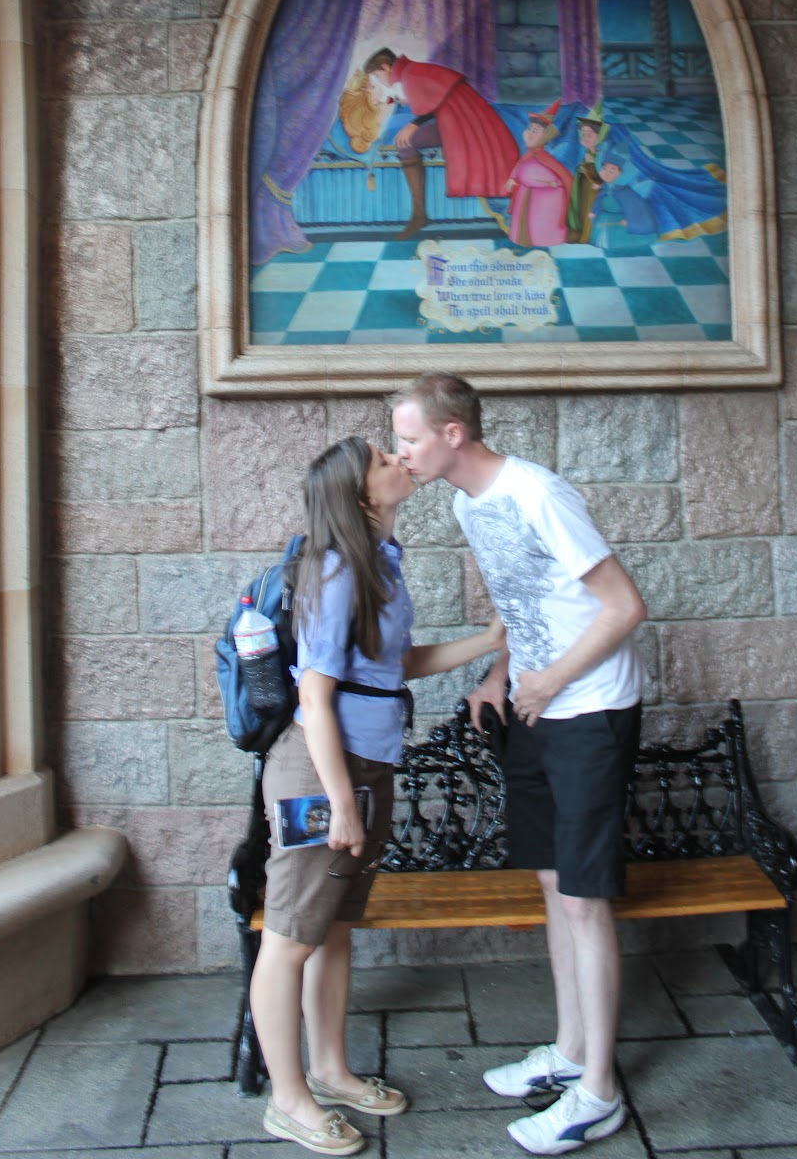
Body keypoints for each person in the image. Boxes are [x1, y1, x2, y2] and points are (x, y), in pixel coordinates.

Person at [390, 376, 646, 1157]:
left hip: (589, 711)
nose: (400, 453)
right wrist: (501, 676)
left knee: (582, 900)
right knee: (549, 883)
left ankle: (599, 1094)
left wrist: (550, 678)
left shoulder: (538, 493)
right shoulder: (469, 504)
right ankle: (570, 1052)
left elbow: (624, 605)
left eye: (408, 438)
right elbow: (518, 600)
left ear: (452, 434)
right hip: (534, 707)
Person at [250, 435, 503, 1157]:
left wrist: (488, 640)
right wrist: (345, 801)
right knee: (290, 936)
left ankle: (329, 1070)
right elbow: (316, 696)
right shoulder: (335, 573)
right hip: (322, 773)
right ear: (363, 495)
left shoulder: (378, 562)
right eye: (384, 462)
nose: (400, 462)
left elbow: (394, 668)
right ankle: (288, 1099)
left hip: (366, 765)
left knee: (329, 928)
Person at [363, 48, 519, 239]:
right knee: (404, 142)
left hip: (462, 124)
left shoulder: (411, 73)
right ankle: (419, 215)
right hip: (454, 121)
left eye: (378, 76)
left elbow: (433, 102)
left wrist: (413, 125)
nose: (379, 81)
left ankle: (419, 215)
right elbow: (428, 100)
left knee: (406, 142)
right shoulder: (410, 73)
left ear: (386, 67)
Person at [505, 102, 574, 248]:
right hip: (526, 196)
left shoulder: (545, 159)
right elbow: (519, 168)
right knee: (524, 223)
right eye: (530, 128)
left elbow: (558, 179)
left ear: (545, 135)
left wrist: (547, 183)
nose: (530, 133)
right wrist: (512, 178)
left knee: (537, 226)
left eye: (535, 130)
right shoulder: (529, 155)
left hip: (544, 202)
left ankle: (542, 240)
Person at [565, 100, 610, 245]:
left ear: (600, 135)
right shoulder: (587, 153)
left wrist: (593, 175)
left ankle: (587, 236)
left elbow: (605, 177)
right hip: (584, 189)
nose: (585, 137)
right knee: (582, 210)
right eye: (583, 133)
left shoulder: (602, 155)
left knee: (589, 212)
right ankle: (580, 234)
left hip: (594, 193)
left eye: (589, 134)